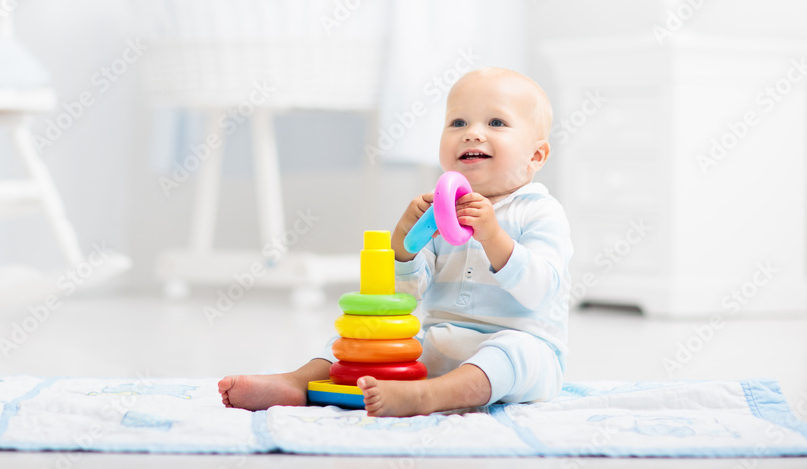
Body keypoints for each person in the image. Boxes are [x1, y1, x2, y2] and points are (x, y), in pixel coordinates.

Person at [218, 67, 573, 416]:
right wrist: (404, 240)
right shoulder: (439, 212)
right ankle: (297, 382)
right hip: (441, 345)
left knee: (512, 352)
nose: (471, 134)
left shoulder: (540, 212)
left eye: (496, 123)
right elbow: (407, 294)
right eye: (458, 123)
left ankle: (428, 396)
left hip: (522, 356)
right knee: (367, 341)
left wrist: (493, 237)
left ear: (535, 156)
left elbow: (540, 290)